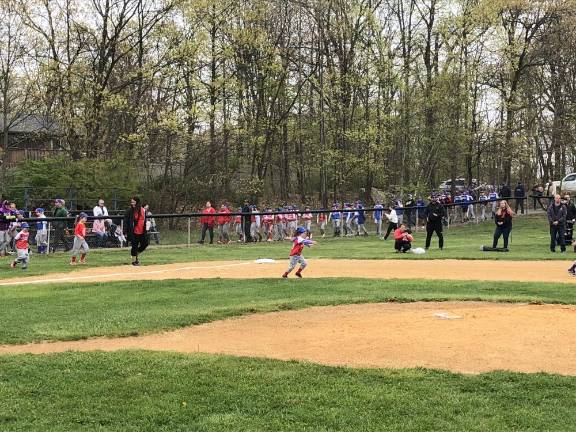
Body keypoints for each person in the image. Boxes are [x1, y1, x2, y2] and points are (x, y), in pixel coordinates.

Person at [124, 197, 148, 265]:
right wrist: (125, 231)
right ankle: (134, 261)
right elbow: (125, 221)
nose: (132, 204)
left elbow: (144, 220)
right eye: (131, 202)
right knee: (134, 246)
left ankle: (136, 253)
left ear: (137, 202)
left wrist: (146, 228)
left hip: (142, 231)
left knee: (145, 244)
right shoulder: (129, 210)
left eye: (134, 202)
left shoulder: (143, 210)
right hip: (133, 232)